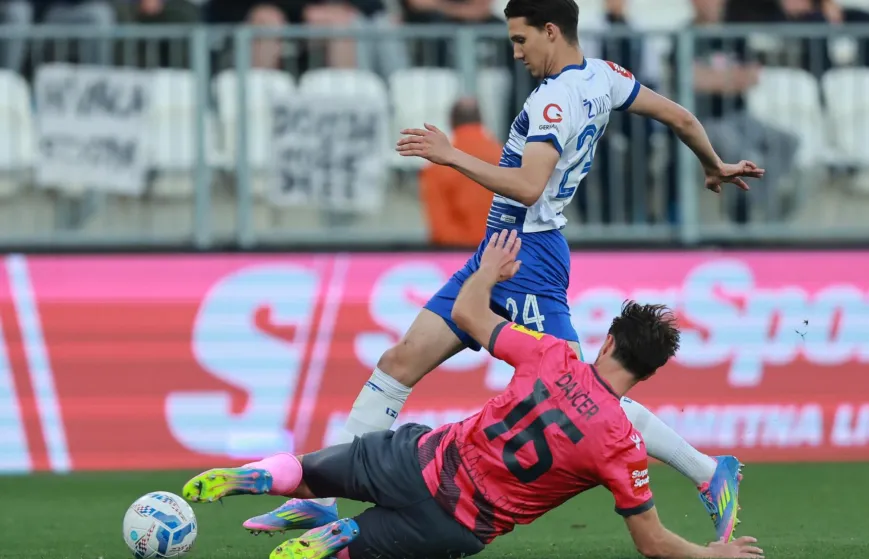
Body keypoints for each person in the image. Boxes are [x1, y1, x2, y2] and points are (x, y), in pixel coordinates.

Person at [244, 0, 765, 542]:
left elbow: (527, 186)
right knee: (400, 360)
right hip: (499, 249)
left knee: (580, 396)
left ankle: (707, 470)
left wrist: (450, 156)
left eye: (521, 40)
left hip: (529, 257)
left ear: (550, 31)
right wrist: (713, 164)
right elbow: (681, 117)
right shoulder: (605, 75)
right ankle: (321, 501)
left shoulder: (555, 101)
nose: (516, 52)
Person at [182, 230, 764, 559]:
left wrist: (488, 272)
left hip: (414, 460)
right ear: (649, 374)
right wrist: (711, 555)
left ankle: (259, 475)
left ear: (607, 340)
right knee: (363, 549)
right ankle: (341, 538)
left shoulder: (551, 355)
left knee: (307, 471)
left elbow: (466, 313)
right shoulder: (622, 447)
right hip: (455, 525)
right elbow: (653, 543)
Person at [419, 97, 501, 248]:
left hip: (458, 254)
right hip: (503, 251)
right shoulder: (506, 158)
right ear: (481, 120)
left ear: (451, 121)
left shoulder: (436, 167)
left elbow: (440, 228)